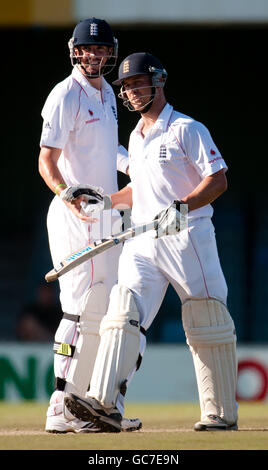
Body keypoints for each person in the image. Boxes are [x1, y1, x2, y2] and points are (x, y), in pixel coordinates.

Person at [64, 52, 238, 432]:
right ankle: (104, 403)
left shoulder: (187, 129)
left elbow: (218, 178)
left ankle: (220, 413)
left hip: (187, 236)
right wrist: (108, 200)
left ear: (158, 81)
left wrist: (183, 205)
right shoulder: (136, 137)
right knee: (122, 312)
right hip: (143, 239)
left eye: (137, 83)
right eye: (125, 86)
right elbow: (141, 191)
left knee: (205, 320)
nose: (131, 91)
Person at [38, 19, 141, 433]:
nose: (94, 57)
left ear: (110, 52)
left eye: (100, 51)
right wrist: (68, 195)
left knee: (104, 310)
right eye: (87, 50)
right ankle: (60, 406)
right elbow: (46, 160)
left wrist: (137, 166)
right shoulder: (65, 94)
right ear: (74, 51)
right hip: (74, 215)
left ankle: (88, 409)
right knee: (78, 310)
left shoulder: (107, 96)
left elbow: (108, 148)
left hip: (106, 215)